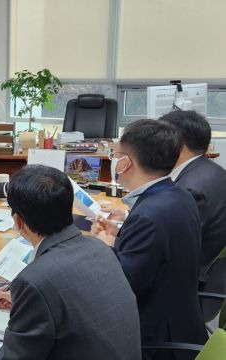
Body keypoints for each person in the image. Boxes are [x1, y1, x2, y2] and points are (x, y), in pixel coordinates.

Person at [0, 165, 141, 360]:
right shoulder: (100, 248)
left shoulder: (33, 281)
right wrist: (30, 304)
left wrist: (32, 301)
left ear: (19, 221)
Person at [91, 120, 207, 358]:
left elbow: (122, 288)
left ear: (125, 163)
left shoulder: (148, 216)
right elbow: (157, 256)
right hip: (182, 319)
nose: (114, 159)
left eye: (116, 154)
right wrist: (117, 238)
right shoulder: (180, 196)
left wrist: (104, 248)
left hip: (153, 338)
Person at [160, 110, 226, 269]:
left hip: (182, 275)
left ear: (178, 145)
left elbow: (164, 249)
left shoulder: (190, 191)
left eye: (159, 138)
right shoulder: (213, 171)